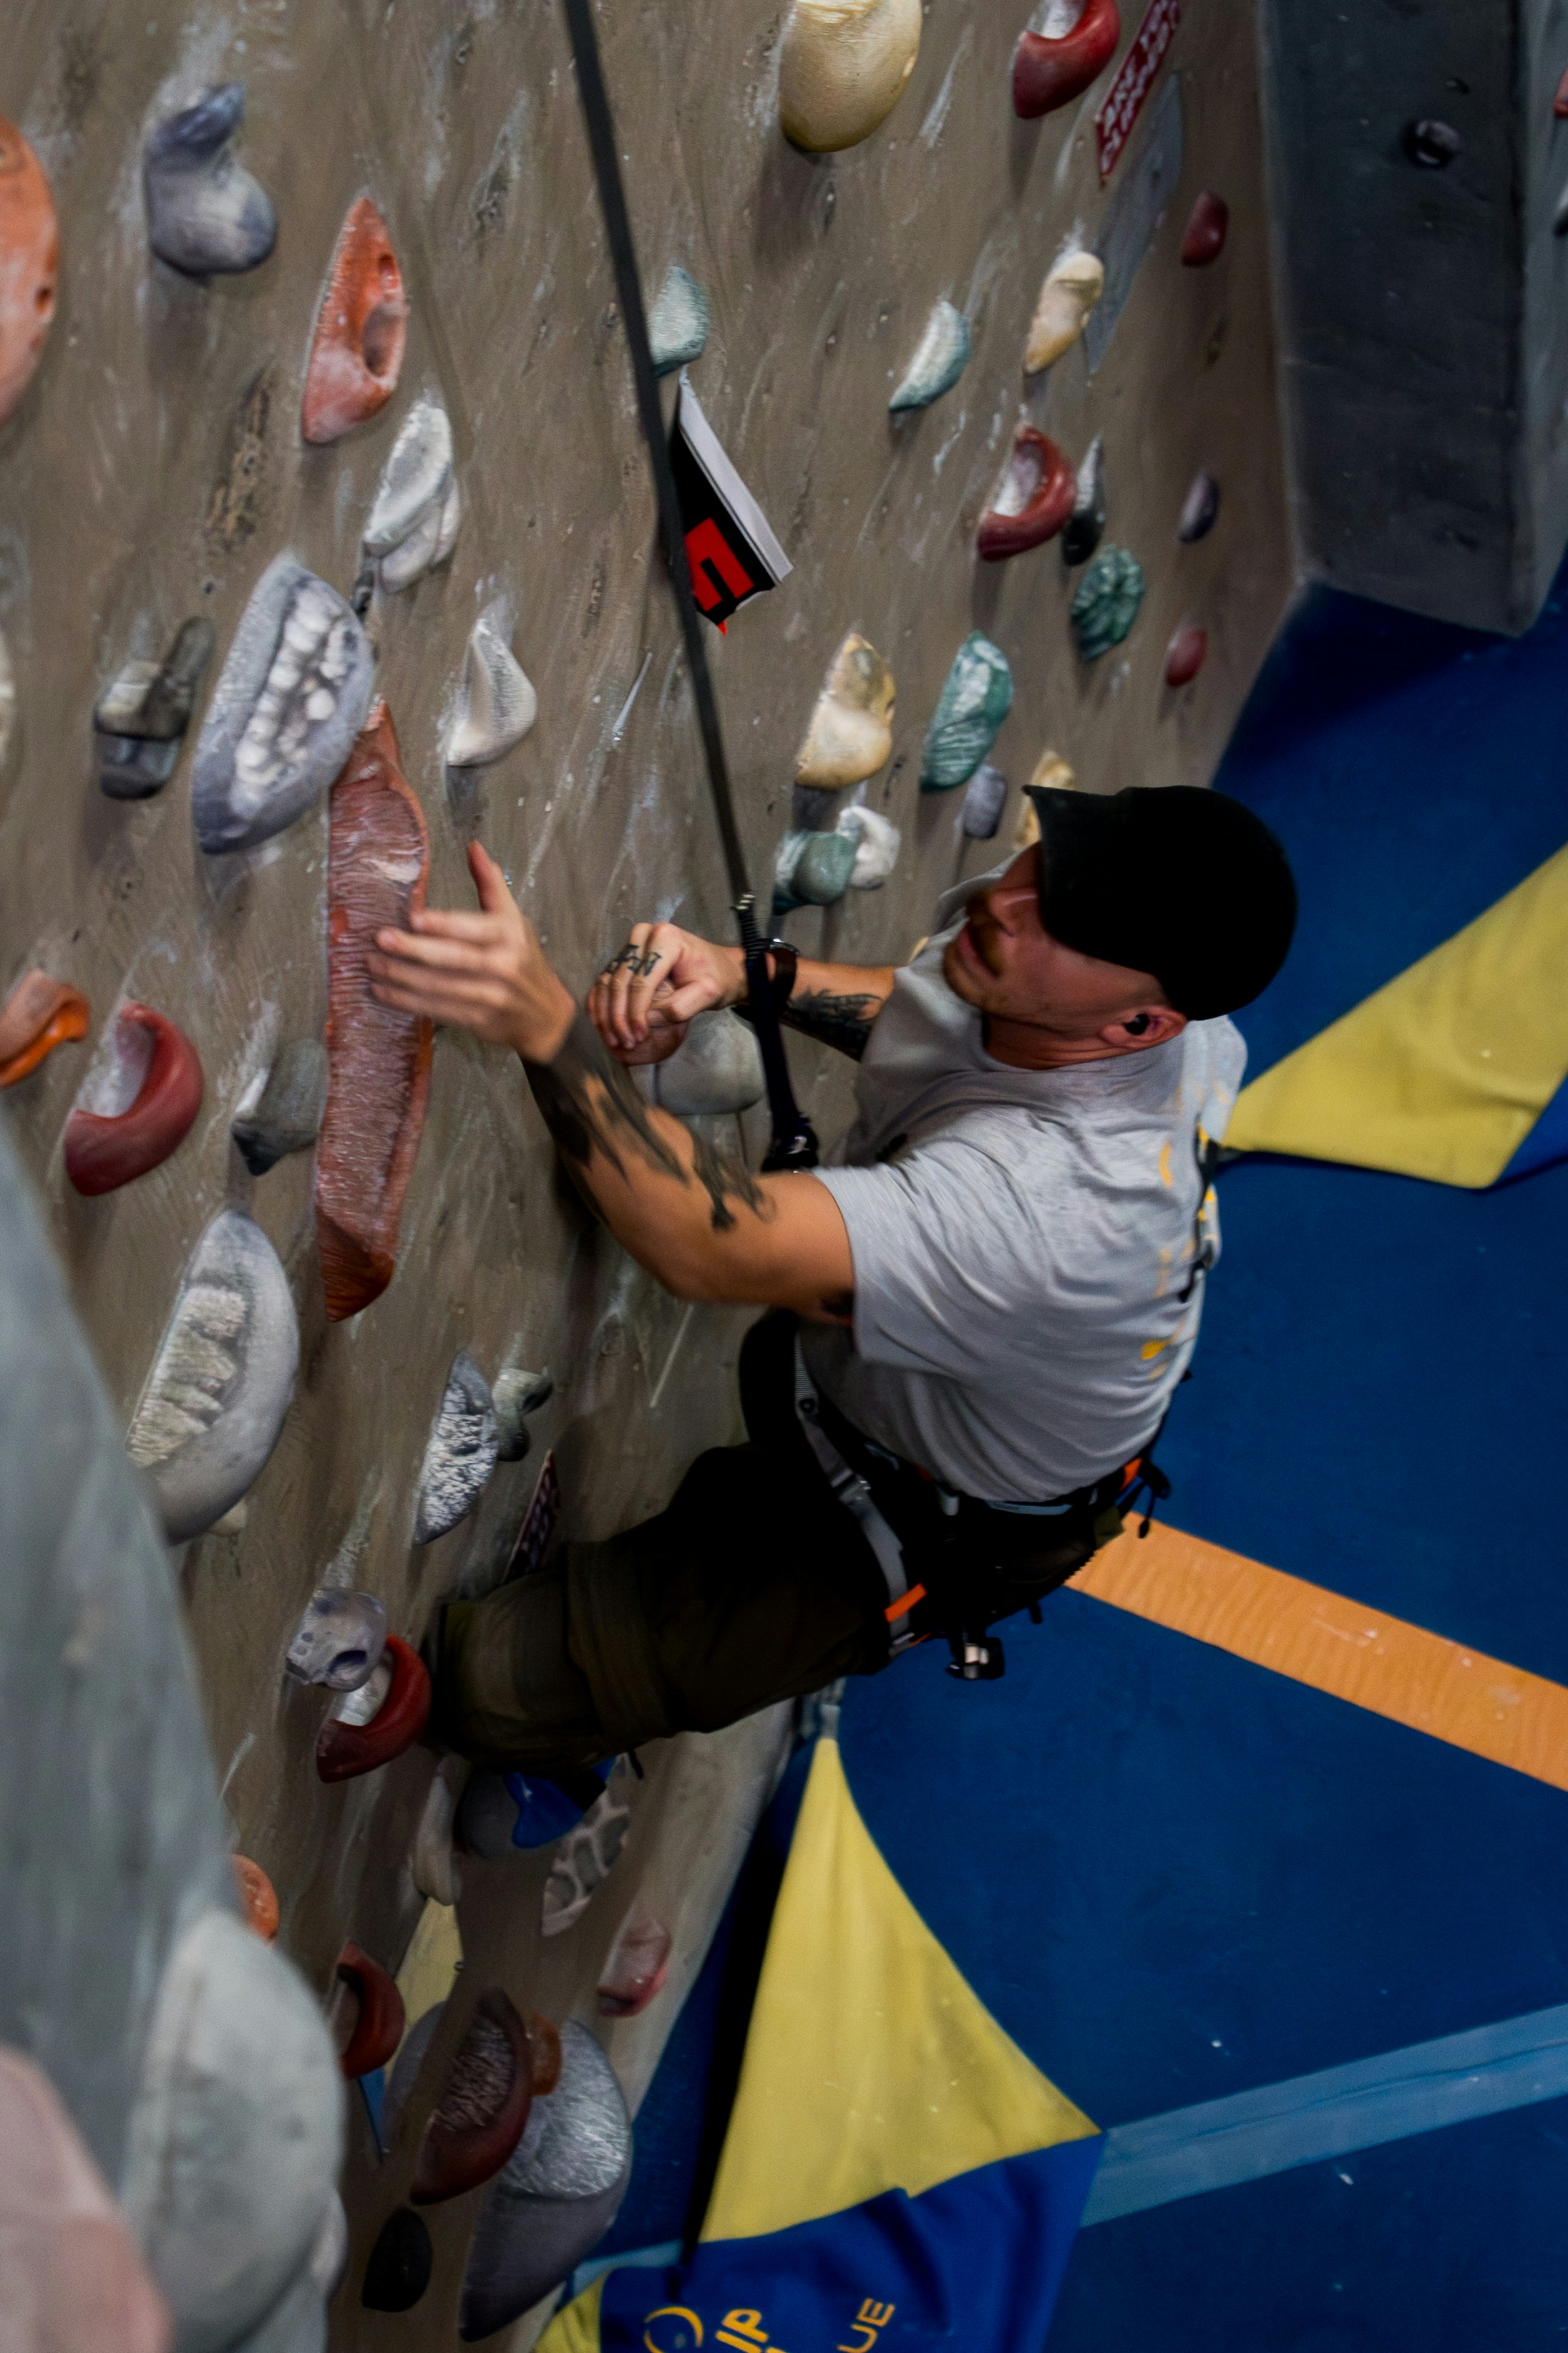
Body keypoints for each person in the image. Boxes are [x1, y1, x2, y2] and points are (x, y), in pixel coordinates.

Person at [367, 783, 1296, 1770]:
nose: (1010, 903)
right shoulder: (1052, 972)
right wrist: (742, 975)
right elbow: (928, 1005)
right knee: (776, 1350)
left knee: (491, 1690)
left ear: (1141, 1028)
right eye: (1054, 862)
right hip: (915, 1382)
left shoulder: (1048, 1210)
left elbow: (698, 1244)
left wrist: (543, 1024)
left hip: (917, 1521)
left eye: (1071, 920)